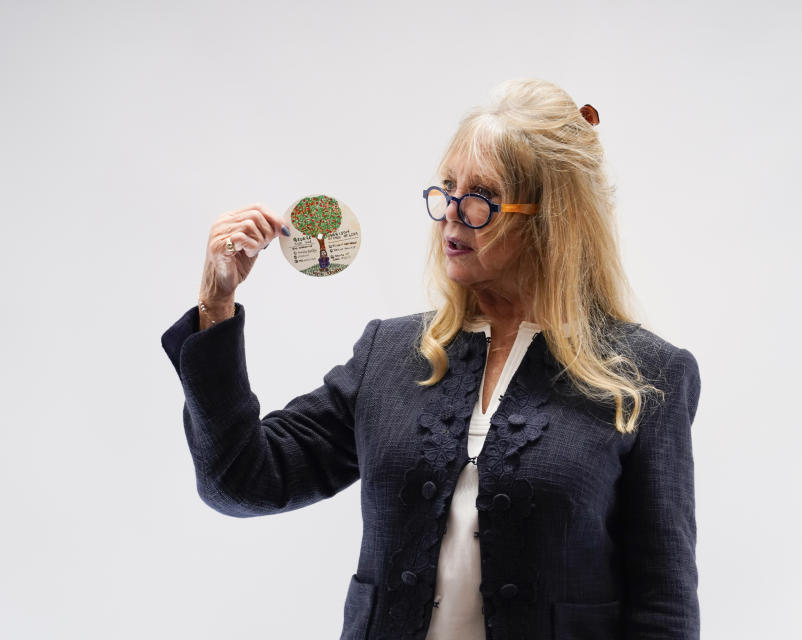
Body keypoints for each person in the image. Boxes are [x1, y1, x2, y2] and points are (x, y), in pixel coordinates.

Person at [161, 78, 702, 640]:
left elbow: (663, 607)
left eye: (480, 199)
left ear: (551, 219)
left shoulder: (647, 376)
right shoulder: (389, 354)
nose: (450, 215)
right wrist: (216, 305)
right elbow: (239, 479)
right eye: (447, 190)